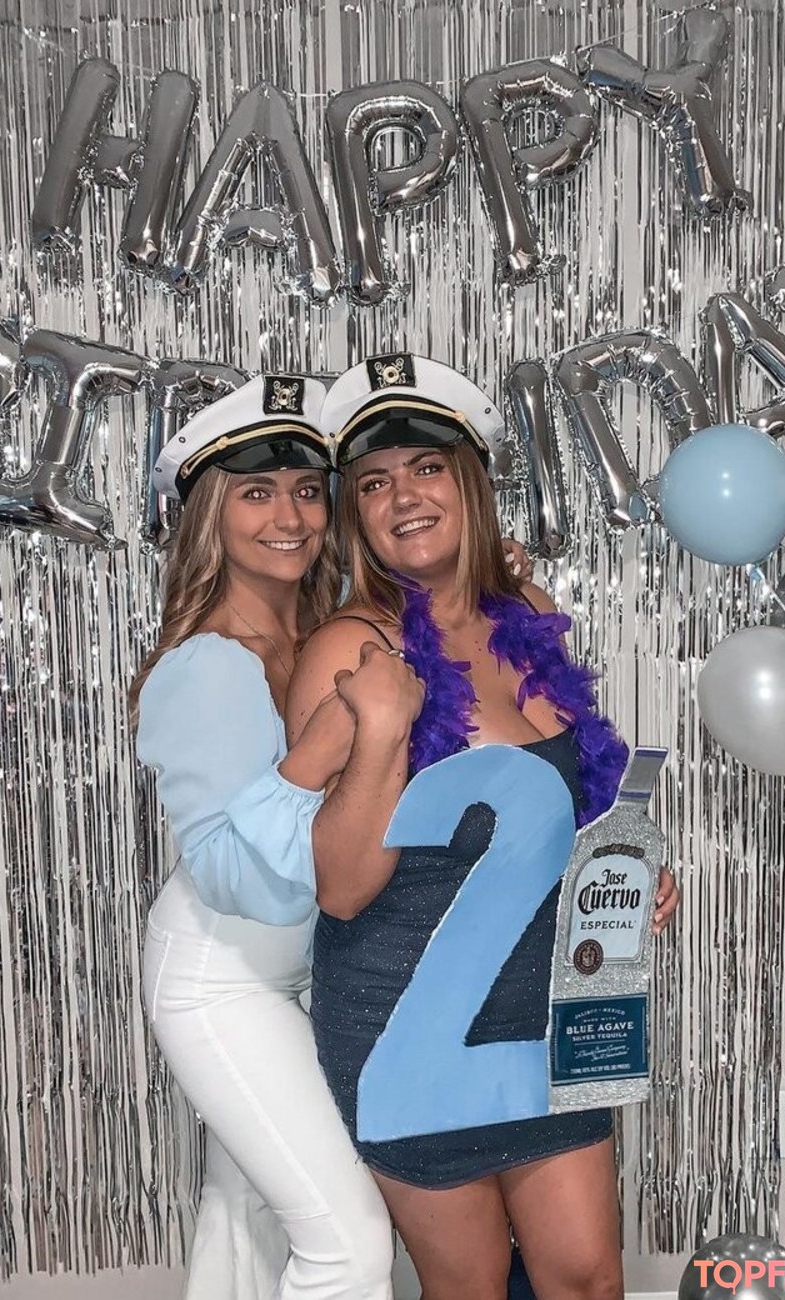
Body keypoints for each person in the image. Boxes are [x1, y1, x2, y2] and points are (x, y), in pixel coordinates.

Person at [288, 353, 682, 1300]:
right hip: (412, 1020)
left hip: (545, 1009)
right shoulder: (351, 647)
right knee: (467, 1290)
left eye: (427, 468)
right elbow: (340, 888)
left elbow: (569, 801)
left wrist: (620, 874)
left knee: (587, 1282)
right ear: (356, 513)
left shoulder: (528, 617)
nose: (403, 498)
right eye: (374, 483)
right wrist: (384, 725)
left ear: (469, 483)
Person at [129, 373, 423, 1300]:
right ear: (211, 516)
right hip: (221, 977)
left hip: (301, 972)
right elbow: (230, 876)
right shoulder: (208, 665)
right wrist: (318, 752)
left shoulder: (322, 637)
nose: (289, 516)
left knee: (251, 1231)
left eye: (306, 490)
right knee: (351, 1245)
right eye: (256, 492)